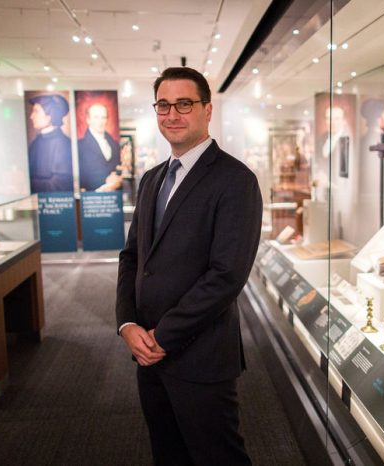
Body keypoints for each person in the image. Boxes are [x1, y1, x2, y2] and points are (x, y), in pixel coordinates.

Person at [116, 67, 262, 466]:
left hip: (200, 357)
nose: (172, 114)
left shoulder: (235, 180)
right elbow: (132, 258)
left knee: (219, 457)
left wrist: (164, 336)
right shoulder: (151, 179)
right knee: (168, 454)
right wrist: (127, 325)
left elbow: (227, 275)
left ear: (207, 110)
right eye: (163, 104)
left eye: (184, 103)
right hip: (147, 352)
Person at [27, 94, 74, 193]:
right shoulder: (36, 142)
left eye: (36, 111)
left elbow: (59, 185)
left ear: (49, 116)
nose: (31, 116)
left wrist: (26, 184)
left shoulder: (63, 144)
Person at [77, 103, 122, 192]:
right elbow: (81, 177)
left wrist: (117, 177)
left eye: (103, 117)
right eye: (96, 117)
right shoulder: (80, 146)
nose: (100, 121)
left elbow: (118, 168)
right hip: (93, 198)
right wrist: (106, 180)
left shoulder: (114, 144)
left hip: (114, 196)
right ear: (88, 120)